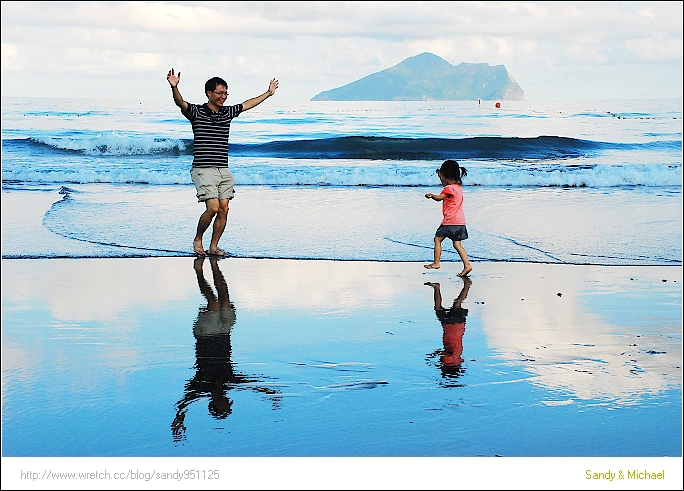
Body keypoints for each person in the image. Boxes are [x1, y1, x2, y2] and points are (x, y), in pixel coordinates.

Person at [166, 68, 279, 257]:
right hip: (203, 168)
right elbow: (180, 103)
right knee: (213, 208)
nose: (223, 97)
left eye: (226, 93)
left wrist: (268, 93)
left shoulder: (227, 113)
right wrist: (174, 88)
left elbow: (247, 104)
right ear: (209, 93)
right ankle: (198, 239)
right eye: (220, 93)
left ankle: (214, 247)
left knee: (224, 209)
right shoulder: (196, 112)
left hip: (223, 169)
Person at [424, 159, 473, 276]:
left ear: (446, 175)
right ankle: (467, 265)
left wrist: (432, 196)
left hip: (449, 221)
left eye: (441, 177)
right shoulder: (458, 187)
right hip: (460, 222)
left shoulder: (449, 188)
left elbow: (440, 197)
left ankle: (436, 262)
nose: (441, 180)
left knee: (437, 239)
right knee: (457, 244)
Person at [425, 277, 471, 380]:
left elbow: (454, 356)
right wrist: (434, 357)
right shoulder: (450, 361)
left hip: (458, 326)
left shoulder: (458, 360)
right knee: (440, 308)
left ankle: (467, 285)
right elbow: (446, 355)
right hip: (450, 326)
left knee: (457, 304)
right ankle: (437, 288)